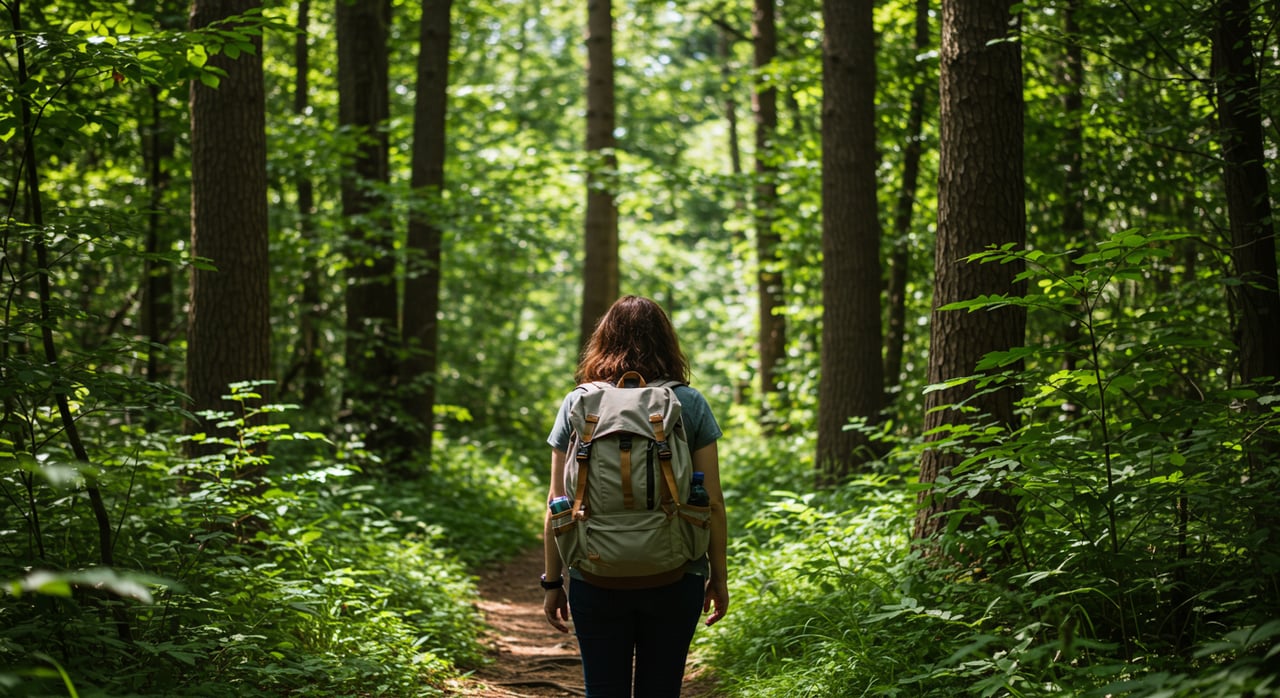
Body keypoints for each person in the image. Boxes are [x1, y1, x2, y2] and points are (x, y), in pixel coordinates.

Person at [542, 295, 729, 697]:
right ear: (666, 341)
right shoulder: (688, 402)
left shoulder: (578, 402)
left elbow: (557, 502)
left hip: (595, 572)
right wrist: (718, 577)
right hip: (677, 571)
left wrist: (553, 582)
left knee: (603, 689)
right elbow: (712, 500)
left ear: (602, 340)